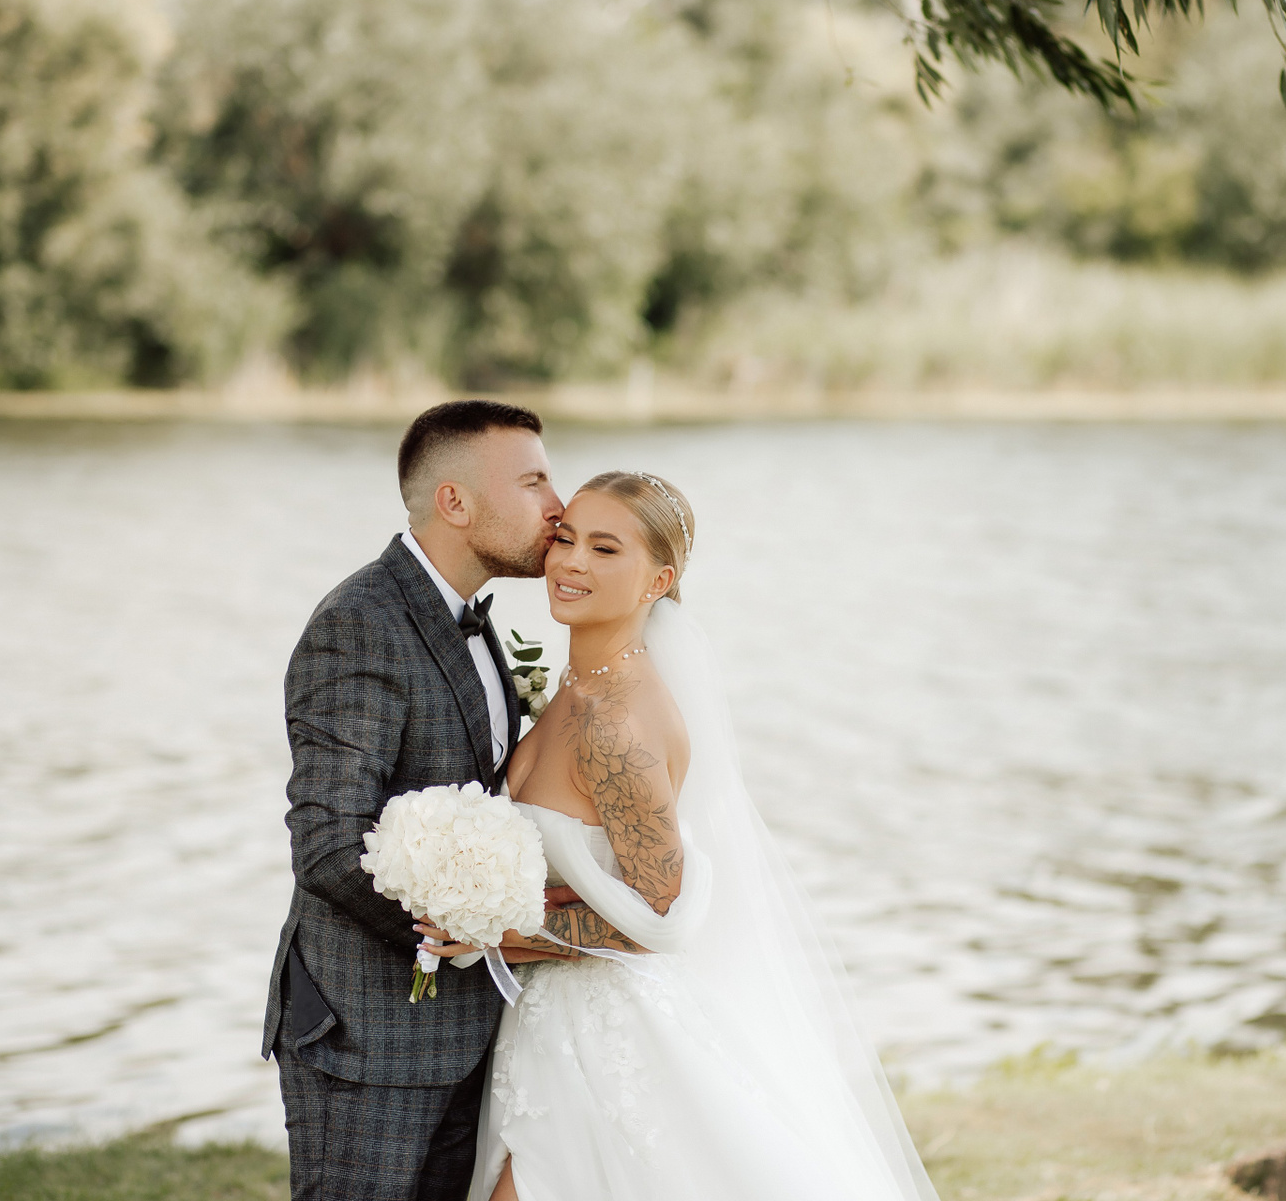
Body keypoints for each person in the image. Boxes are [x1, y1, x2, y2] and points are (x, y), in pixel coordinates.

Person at [418, 472, 939, 1201]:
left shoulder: (616, 723)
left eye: (606, 549)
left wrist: (499, 931)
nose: (572, 562)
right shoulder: (576, 687)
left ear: (658, 581)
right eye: (566, 539)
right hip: (553, 1019)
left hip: (609, 1038)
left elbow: (658, 911)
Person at [263, 399, 576, 1201]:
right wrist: (468, 933)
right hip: (368, 1034)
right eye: (534, 483)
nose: (559, 506)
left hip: (468, 1029)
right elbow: (330, 845)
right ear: (455, 501)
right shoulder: (360, 624)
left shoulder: (472, 620)